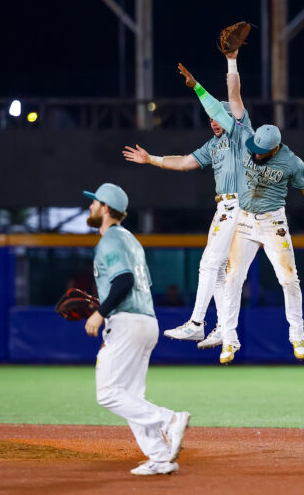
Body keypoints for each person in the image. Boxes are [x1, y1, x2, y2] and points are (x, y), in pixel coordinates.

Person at [177, 62, 304, 365]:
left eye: (259, 151)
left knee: (288, 280)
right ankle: (229, 339)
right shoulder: (245, 137)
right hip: (243, 220)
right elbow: (226, 104)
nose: (253, 152)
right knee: (232, 280)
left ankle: (298, 336)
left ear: (274, 149)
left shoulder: (291, 162)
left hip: (273, 223)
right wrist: (198, 85)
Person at [122, 48, 251, 350]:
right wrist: (151, 159)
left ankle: (196, 324)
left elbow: (234, 92)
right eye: (210, 118)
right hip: (227, 207)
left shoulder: (239, 131)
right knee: (217, 269)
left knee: (208, 265)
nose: (214, 121)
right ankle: (223, 330)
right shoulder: (213, 145)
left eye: (218, 115)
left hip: (238, 206)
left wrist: (227, 63)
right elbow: (183, 162)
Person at [82, 182, 190, 476]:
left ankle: (168, 420)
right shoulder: (131, 239)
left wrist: (99, 312)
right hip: (146, 320)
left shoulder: (110, 240)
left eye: (94, 202)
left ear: (105, 208)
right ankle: (160, 457)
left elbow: (124, 280)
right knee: (131, 396)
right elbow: (135, 283)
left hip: (127, 322)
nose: (90, 206)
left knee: (108, 393)